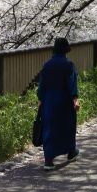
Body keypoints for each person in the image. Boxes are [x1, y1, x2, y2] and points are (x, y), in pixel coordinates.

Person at [37, 38, 80, 171]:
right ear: (66, 50)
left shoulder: (46, 65)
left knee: (49, 128)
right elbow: (72, 84)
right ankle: (71, 152)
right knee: (67, 125)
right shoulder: (69, 65)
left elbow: (41, 86)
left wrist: (40, 100)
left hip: (49, 100)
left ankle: (48, 161)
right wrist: (75, 100)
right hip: (64, 99)